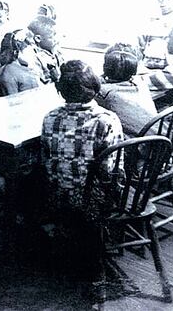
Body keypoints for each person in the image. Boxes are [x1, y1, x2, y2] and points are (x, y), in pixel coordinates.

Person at [40, 60, 124, 277]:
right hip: (93, 200)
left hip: (57, 193)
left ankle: (54, 239)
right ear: (95, 87)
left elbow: (46, 158)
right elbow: (111, 169)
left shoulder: (50, 117)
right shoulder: (107, 120)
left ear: (61, 91)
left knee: (32, 179)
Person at [95, 43, 157, 137]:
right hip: (159, 139)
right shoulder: (140, 84)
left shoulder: (104, 92)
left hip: (135, 146)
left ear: (105, 67)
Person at [0, 29, 41, 95]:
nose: (34, 54)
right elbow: (13, 101)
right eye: (28, 49)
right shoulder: (9, 73)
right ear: (16, 52)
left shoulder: (26, 65)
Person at [28, 15, 65, 83]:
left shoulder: (57, 52)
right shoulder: (34, 58)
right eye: (52, 36)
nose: (57, 39)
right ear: (38, 38)